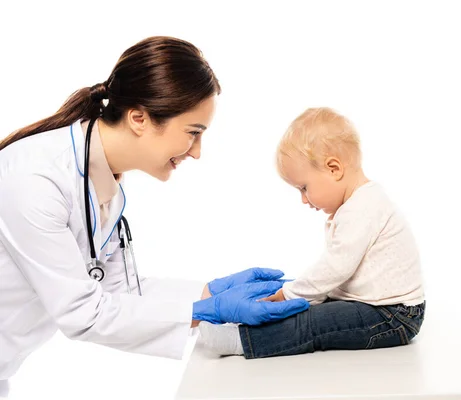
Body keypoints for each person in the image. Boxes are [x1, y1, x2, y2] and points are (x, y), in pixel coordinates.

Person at [0, 36, 310, 389]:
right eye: (193, 133)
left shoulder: (104, 183)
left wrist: (209, 293)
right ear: (138, 118)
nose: (196, 152)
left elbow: (118, 291)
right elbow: (83, 314)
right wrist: (206, 311)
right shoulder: (34, 180)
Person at [196, 107, 426, 358]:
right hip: (376, 304)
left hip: (394, 316)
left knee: (314, 323)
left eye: (304, 188)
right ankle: (247, 321)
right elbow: (334, 275)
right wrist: (293, 292)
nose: (304, 200)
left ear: (334, 169)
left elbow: (335, 268)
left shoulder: (364, 208)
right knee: (305, 298)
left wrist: (289, 294)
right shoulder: (360, 203)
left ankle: (243, 340)